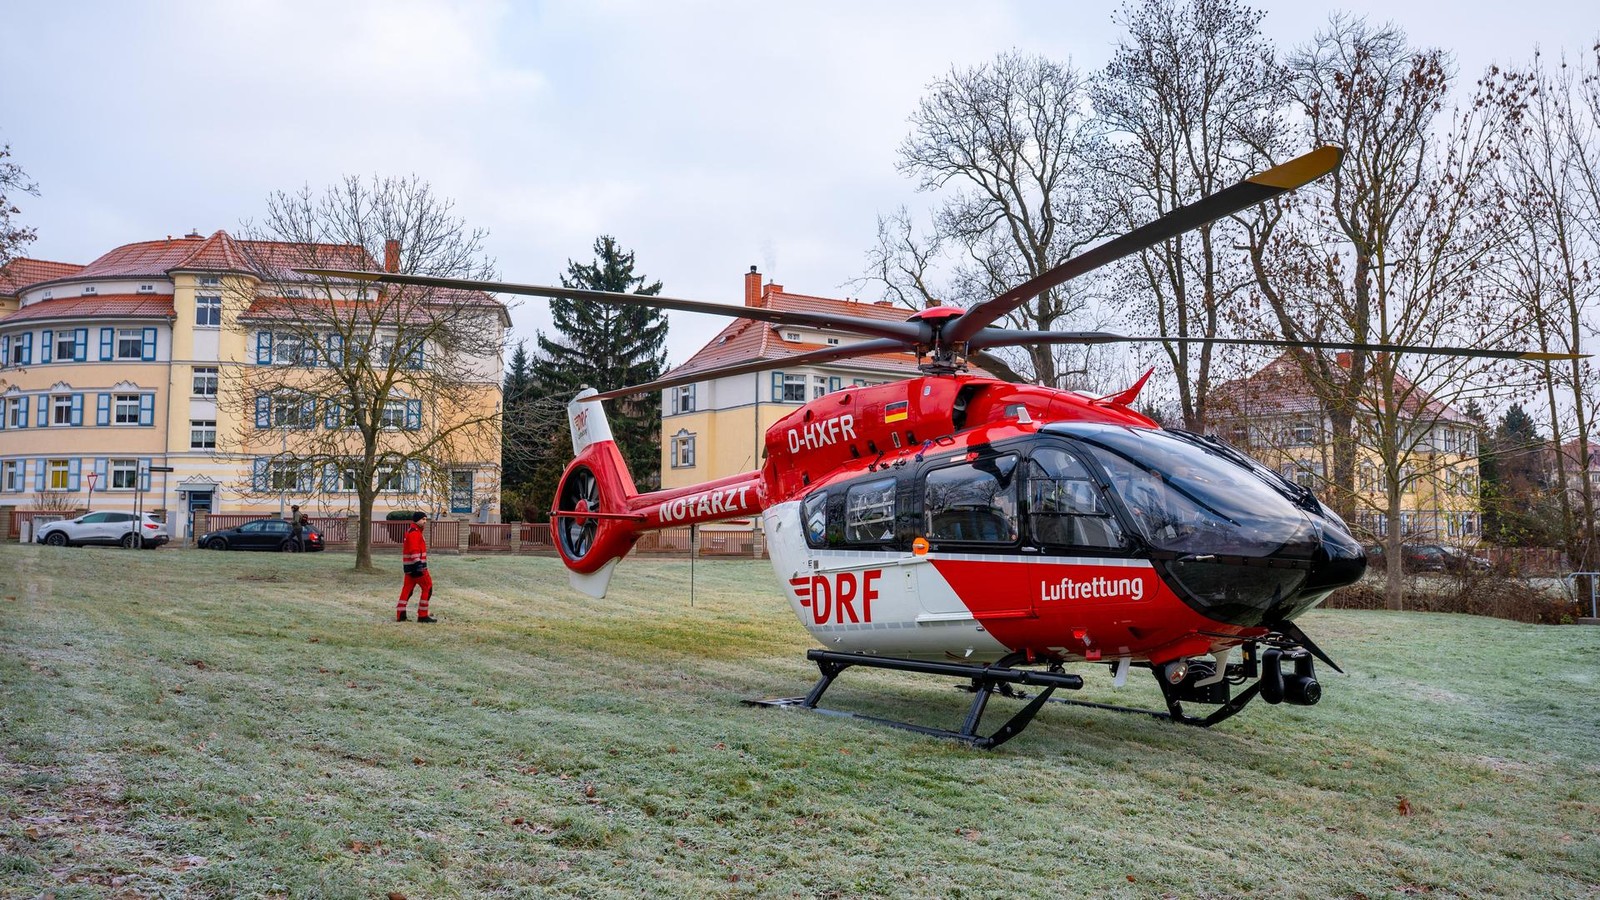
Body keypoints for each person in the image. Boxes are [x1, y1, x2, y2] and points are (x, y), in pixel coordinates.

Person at [396, 511, 435, 623]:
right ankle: (422, 615)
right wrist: (418, 564)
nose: (425, 521)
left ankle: (401, 615)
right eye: (423, 519)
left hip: (409, 568)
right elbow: (414, 550)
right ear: (417, 520)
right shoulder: (415, 533)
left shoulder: (412, 531)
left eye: (426, 519)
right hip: (417, 567)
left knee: (407, 590)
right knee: (428, 587)